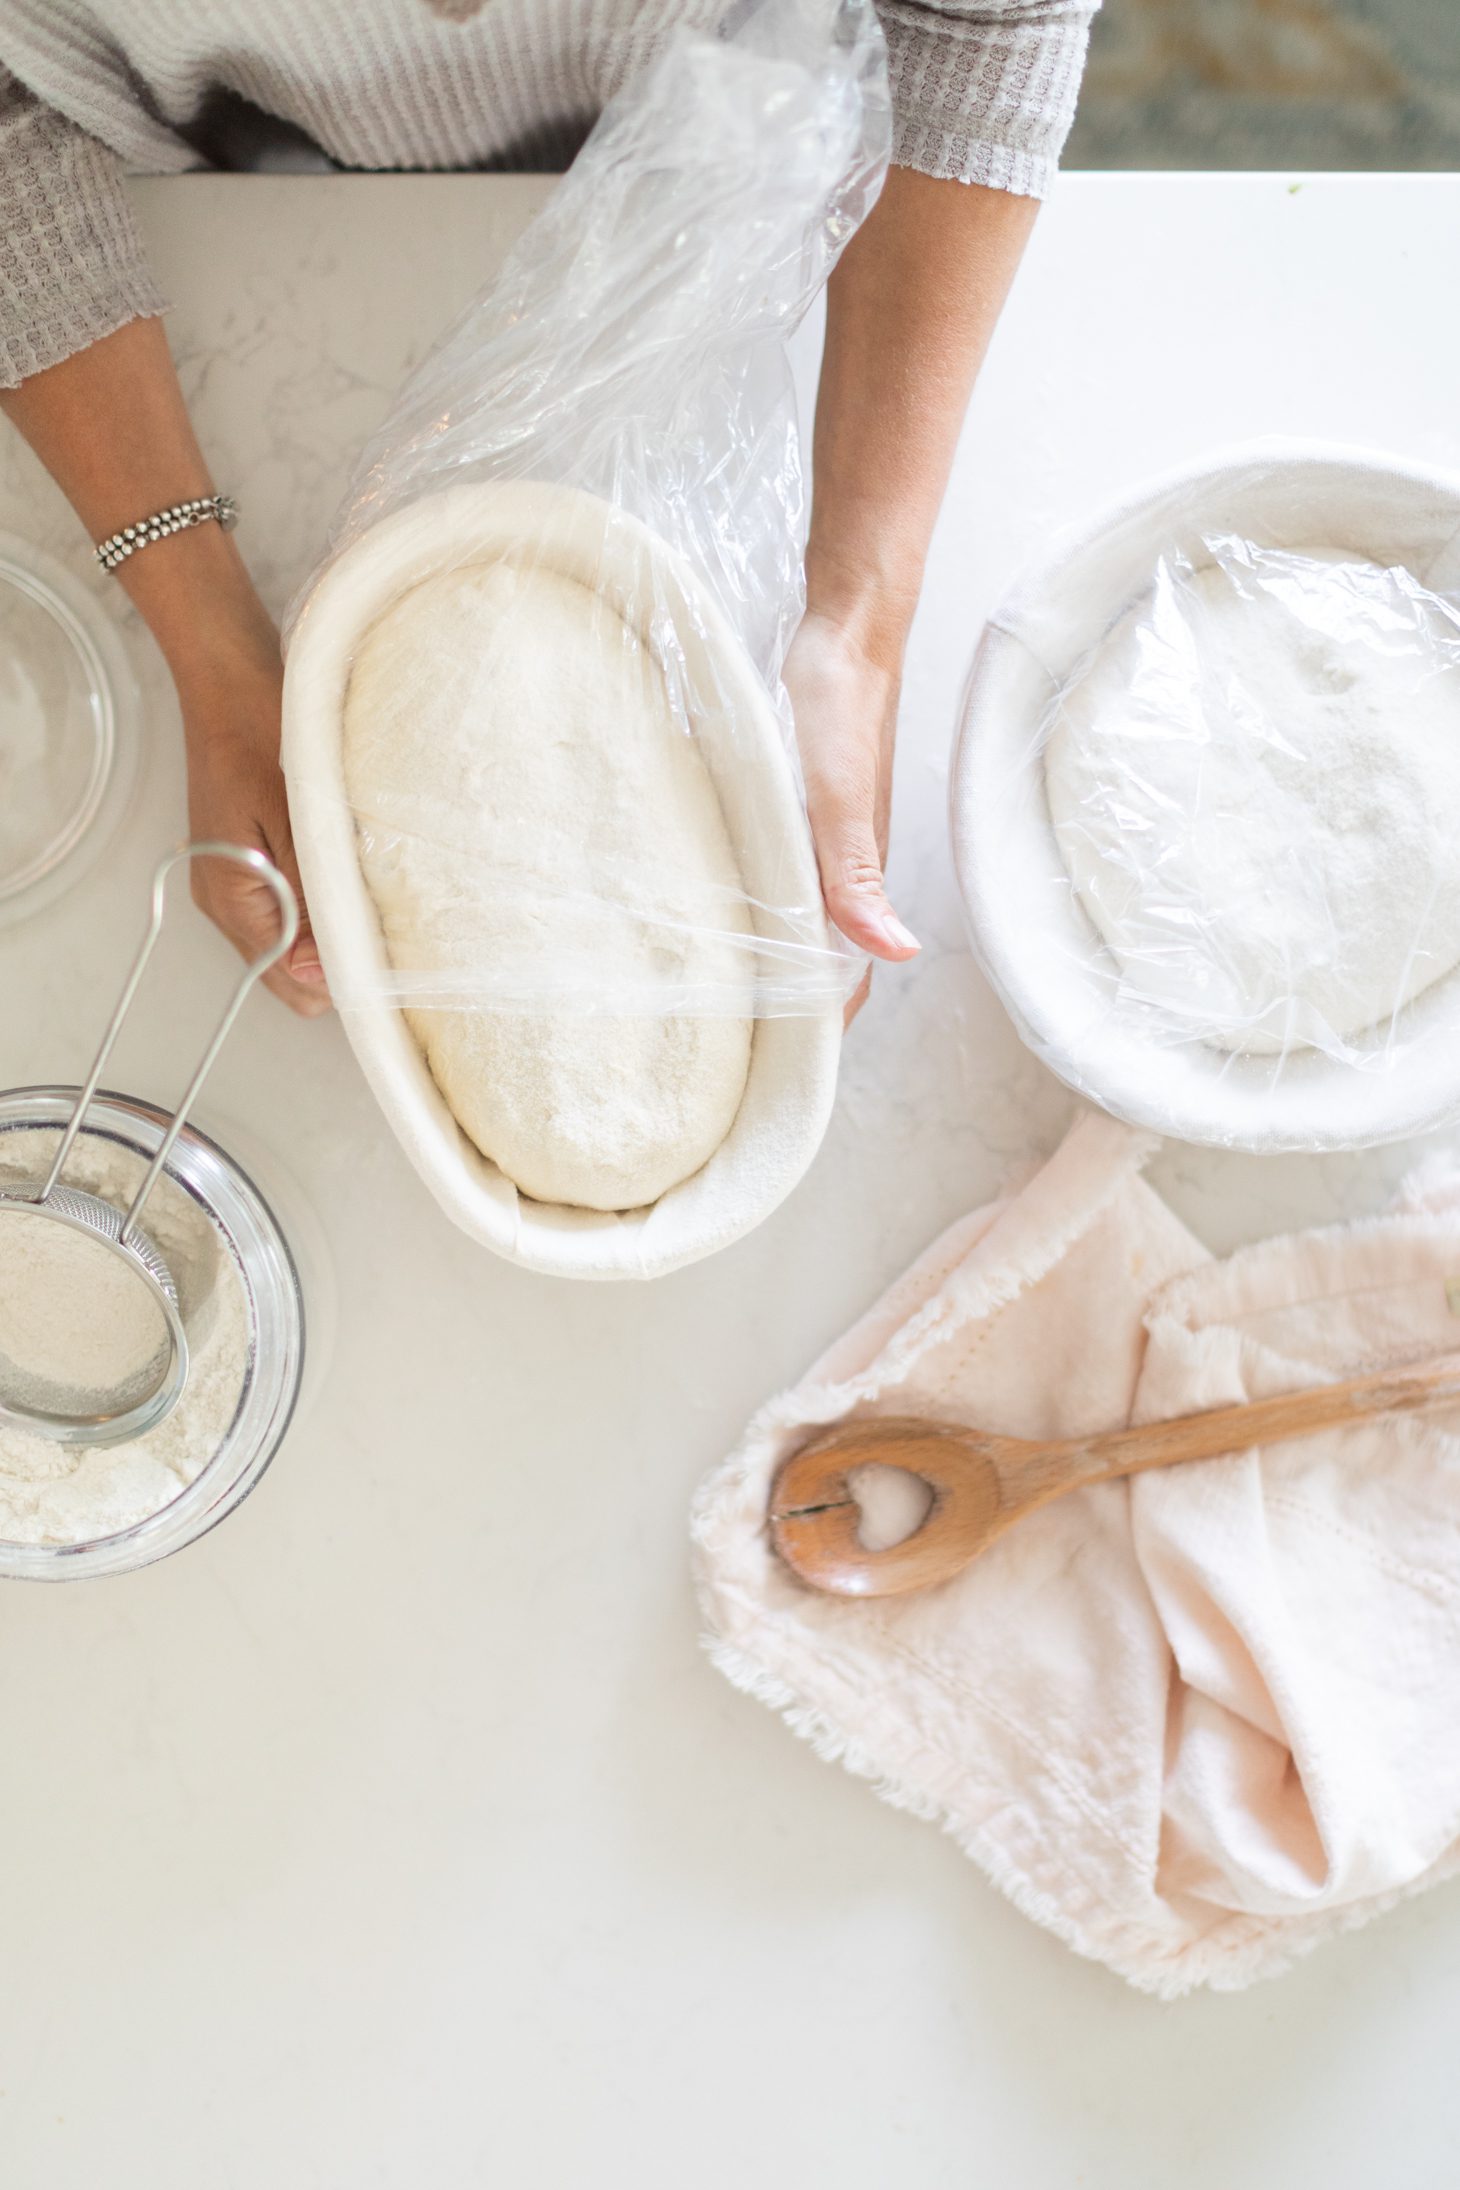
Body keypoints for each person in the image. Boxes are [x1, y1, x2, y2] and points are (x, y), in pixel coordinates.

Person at [0, 1, 1097, 1018]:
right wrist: (210, 647)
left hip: (751, 129)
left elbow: (986, 19)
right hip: (218, 181)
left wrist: (856, 617)